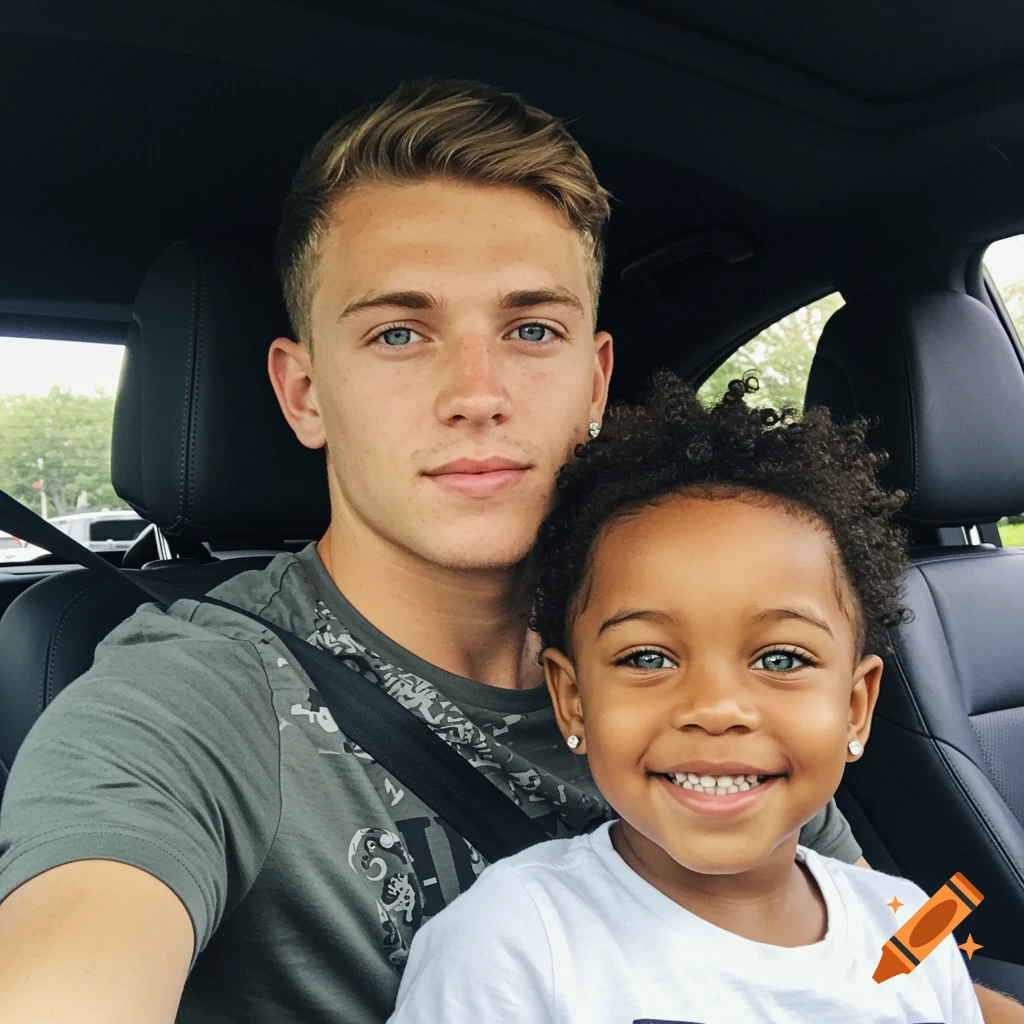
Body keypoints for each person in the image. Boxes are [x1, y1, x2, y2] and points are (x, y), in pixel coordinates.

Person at [0, 79, 1017, 1024]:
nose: (477, 390)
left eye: (531, 329)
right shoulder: (189, 700)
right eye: (399, 333)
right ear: (303, 391)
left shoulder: (723, 673)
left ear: (593, 378)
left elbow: (863, 973)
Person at [388, 372, 984, 1024]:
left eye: (780, 658)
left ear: (855, 706)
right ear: (573, 700)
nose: (716, 707)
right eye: (648, 658)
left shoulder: (905, 924)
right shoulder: (515, 941)